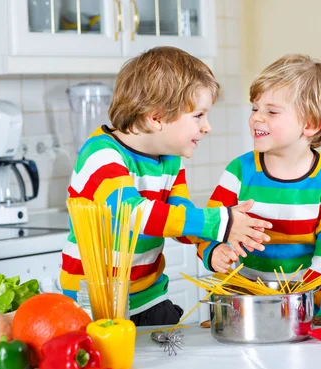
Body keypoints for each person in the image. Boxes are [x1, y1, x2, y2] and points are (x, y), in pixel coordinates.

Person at [60, 46, 272, 326]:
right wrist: (220, 221)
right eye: (198, 115)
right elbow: (134, 215)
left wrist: (210, 248)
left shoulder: (170, 160)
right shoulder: (101, 155)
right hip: (95, 305)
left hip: (149, 298)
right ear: (156, 117)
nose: (207, 126)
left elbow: (178, 213)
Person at [197, 54, 321, 318]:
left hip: (316, 303)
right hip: (245, 304)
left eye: (271, 111)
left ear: (311, 124)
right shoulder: (240, 171)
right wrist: (213, 251)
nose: (257, 118)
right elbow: (210, 224)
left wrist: (304, 298)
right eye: (255, 108)